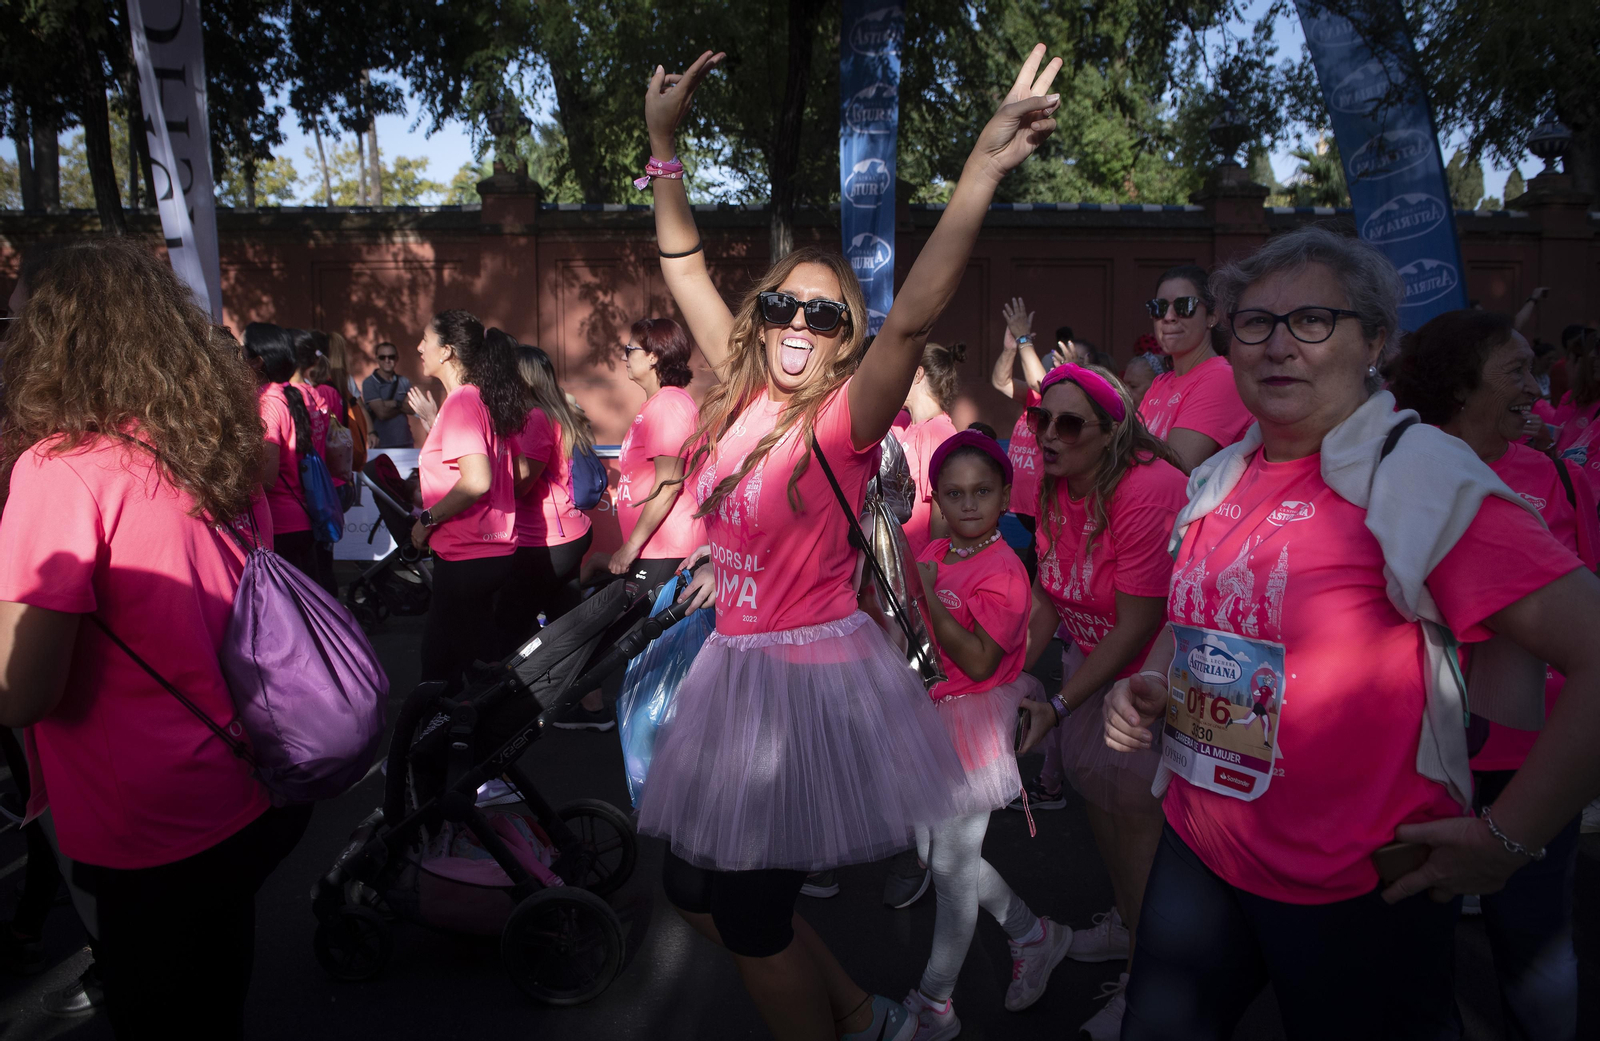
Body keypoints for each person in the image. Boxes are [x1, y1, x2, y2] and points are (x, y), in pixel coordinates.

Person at [633, 45, 1064, 1041]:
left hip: (805, 687)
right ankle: (862, 1013)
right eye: (782, 303)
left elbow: (912, 320)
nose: (797, 321)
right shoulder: (742, 400)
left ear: (841, 339)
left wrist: (982, 173)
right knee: (694, 888)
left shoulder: (842, 420)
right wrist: (663, 147)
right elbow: (683, 263)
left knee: (745, 914)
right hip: (732, 674)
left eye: (823, 314)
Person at [1102, 225, 1600, 1040]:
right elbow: (1193, 621)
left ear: (1374, 340)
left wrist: (1510, 840)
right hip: (1201, 849)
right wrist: (1152, 680)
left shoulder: (1423, 477)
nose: (1276, 345)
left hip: (1357, 888)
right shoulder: (1222, 470)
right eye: (1254, 323)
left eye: (1312, 320)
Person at [0, 237, 311, 1039]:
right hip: (244, 786)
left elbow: (21, 688)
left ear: (52, 338)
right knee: (216, 1003)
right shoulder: (207, 447)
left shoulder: (59, 469)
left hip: (142, 821)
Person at [1388, 308, 1598, 1041]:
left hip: (1532, 759)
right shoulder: (1394, 474)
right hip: (1420, 761)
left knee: (1534, 942)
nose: (1538, 391)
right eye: (1515, 373)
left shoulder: (1554, 477)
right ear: (1459, 382)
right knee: (1412, 951)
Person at [1011, 362, 1187, 1041]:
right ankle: (1125, 925)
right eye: (1040, 420)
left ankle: (1148, 990)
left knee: (1140, 833)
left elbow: (1139, 623)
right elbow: (1051, 597)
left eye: (1068, 423)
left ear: (1112, 433)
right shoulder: (1058, 485)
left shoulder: (1147, 489)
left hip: (1151, 683)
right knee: (1108, 822)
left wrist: (1056, 704)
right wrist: (998, 677)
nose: (1049, 436)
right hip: (1094, 670)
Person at [900, 431, 1064, 1039]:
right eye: (955, 493)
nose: (968, 504)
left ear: (1002, 498)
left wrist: (927, 594)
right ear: (938, 499)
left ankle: (936, 1002)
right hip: (934, 712)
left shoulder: (1004, 570)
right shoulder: (942, 549)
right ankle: (1032, 932)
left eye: (982, 492)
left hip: (974, 721)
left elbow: (974, 660)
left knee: (950, 870)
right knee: (933, 854)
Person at [411, 310, 527, 685]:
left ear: (446, 351)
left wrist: (426, 520)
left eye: (425, 340)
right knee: (465, 663)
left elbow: (476, 481)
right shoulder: (478, 399)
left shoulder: (464, 400)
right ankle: (461, 737)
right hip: (482, 553)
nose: (418, 347)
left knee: (444, 669)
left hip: (468, 556)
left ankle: (459, 739)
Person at [497, 341, 596, 687]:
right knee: (567, 621)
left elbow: (522, 485)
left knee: (508, 624)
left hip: (546, 539)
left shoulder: (537, 418)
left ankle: (518, 700)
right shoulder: (554, 412)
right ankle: (586, 703)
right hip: (563, 535)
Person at [244, 322, 334, 591]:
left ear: (258, 361)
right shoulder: (299, 394)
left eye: (241, 351)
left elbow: (268, 478)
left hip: (281, 523)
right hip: (305, 513)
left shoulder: (269, 402)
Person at [1137, 264, 1252, 473]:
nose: (1169, 317)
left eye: (1184, 306)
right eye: (1159, 307)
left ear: (1212, 316)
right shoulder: (1160, 383)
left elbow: (1175, 468)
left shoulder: (1221, 379)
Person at [990, 296, 1049, 578]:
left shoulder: (1052, 401)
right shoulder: (1032, 399)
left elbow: (1045, 385)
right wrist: (1010, 349)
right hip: (1026, 513)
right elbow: (1001, 382)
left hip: (1046, 513)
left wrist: (1025, 338)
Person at [898, 341, 964, 559]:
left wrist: (932, 565)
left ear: (917, 374)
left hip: (918, 566)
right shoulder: (908, 425)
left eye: (902, 370)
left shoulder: (937, 431)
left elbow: (942, 509)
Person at [364, 339, 416, 447]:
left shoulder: (404, 381)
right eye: (383, 357)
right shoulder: (369, 383)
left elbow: (412, 409)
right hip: (381, 444)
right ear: (377, 359)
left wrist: (394, 403)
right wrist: (401, 406)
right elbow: (382, 414)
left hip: (406, 442)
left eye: (391, 357)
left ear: (397, 359)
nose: (387, 360)